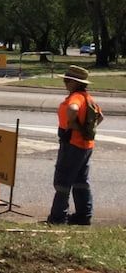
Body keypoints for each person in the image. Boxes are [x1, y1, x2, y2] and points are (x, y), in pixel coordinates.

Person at [47, 65, 104, 225]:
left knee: (63, 181)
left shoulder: (76, 98)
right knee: (80, 180)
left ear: (74, 82)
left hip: (72, 144)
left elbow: (72, 109)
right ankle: (84, 215)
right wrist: (87, 130)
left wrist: (74, 125)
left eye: (67, 80)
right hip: (86, 145)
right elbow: (100, 117)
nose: (65, 83)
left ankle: (58, 217)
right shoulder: (88, 98)